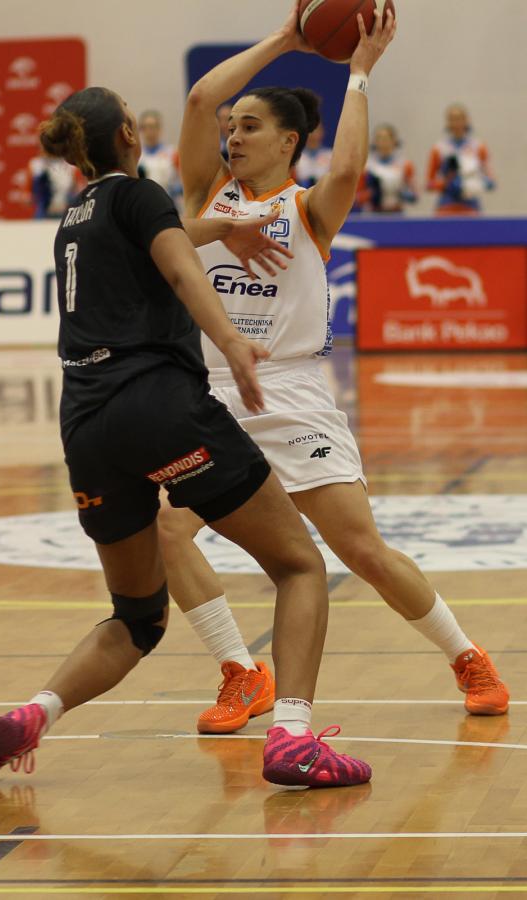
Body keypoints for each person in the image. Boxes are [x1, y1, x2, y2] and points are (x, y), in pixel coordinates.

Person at [0, 86, 371, 791]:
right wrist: (231, 340)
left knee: (137, 617)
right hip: (158, 406)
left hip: (84, 424)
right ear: (127, 133)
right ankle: (294, 741)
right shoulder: (140, 195)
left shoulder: (74, 218)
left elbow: (173, 235)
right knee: (299, 566)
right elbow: (178, 264)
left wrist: (221, 229)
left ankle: (32, 714)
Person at [157, 3, 510, 737]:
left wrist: (359, 71)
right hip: (209, 397)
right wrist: (286, 38)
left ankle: (467, 656)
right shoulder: (205, 198)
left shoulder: (309, 210)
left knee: (361, 551)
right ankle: (242, 671)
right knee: (165, 532)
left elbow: (346, 166)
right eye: (232, 127)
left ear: (289, 141)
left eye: (250, 126)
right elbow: (197, 100)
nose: (233, 136)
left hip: (289, 395)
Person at [426, 103, 495, 215]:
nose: (456, 123)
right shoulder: (439, 148)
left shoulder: (478, 147)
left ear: (466, 120)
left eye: (459, 118)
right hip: (446, 205)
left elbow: (491, 181)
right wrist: (445, 184)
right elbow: (429, 184)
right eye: (452, 119)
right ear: (447, 122)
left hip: (471, 205)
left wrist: (479, 184)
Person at [357, 123, 417, 212]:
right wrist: (373, 194)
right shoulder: (366, 167)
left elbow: (414, 195)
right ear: (375, 141)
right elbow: (357, 197)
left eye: (386, 138)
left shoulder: (405, 165)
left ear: (394, 140)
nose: (383, 142)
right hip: (373, 213)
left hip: (396, 212)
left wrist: (402, 193)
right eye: (379, 138)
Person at [137, 108, 182, 203]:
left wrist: (175, 189)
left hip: (168, 203)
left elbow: (182, 182)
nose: (149, 132)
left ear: (159, 129)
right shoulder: (136, 156)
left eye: (152, 127)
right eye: (145, 128)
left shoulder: (172, 153)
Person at [28, 150, 83, 218]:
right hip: (44, 211)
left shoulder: (72, 165)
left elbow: (79, 193)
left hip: (65, 210)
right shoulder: (36, 165)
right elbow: (28, 196)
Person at [295, 121, 332, 189]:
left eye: (316, 129)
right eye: (310, 130)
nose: (313, 133)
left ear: (322, 132)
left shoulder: (331, 155)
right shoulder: (295, 156)